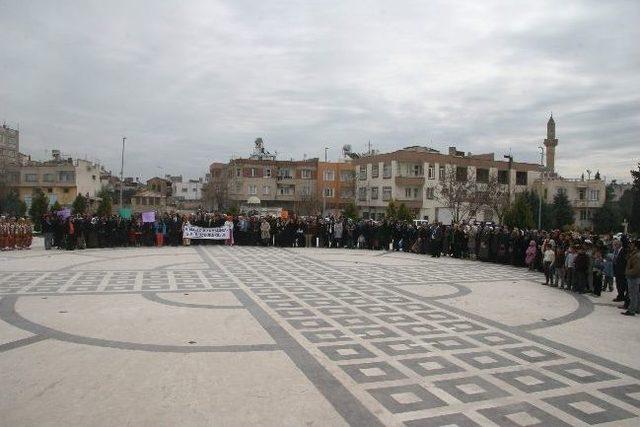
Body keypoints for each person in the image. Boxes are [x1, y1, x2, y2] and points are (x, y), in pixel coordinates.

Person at [622, 239, 640, 316]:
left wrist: (627, 272)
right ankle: (636, 308)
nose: (630, 246)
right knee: (635, 294)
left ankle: (632, 310)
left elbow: (636, 269)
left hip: (633, 277)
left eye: (632, 245)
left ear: (636, 247)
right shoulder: (634, 254)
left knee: (633, 294)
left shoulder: (637, 256)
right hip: (633, 277)